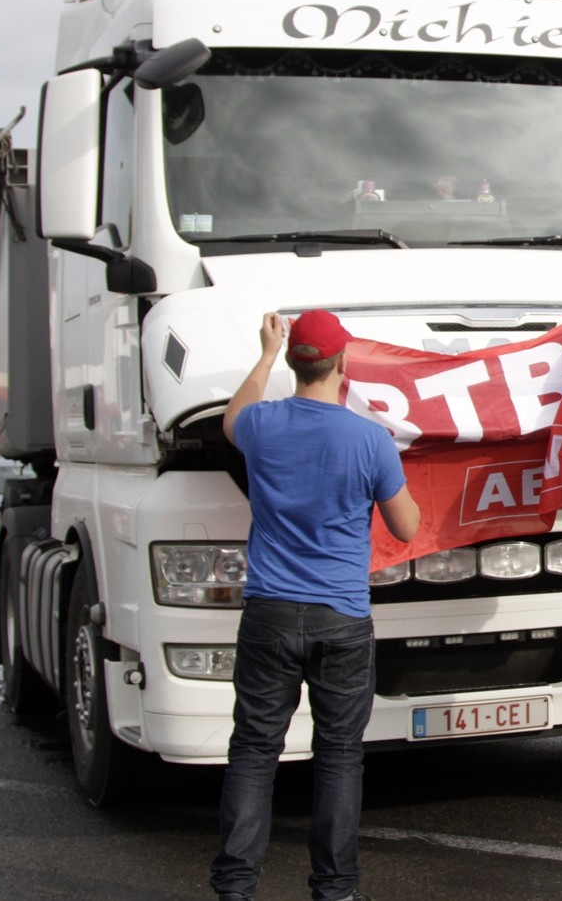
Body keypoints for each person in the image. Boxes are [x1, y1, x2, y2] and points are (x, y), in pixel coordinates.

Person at [209, 309, 420, 901]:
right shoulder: (370, 439)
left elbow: (232, 416)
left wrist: (265, 353)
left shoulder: (262, 425)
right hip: (342, 617)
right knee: (338, 757)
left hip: (269, 610)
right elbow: (406, 528)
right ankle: (334, 890)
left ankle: (235, 887)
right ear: (343, 363)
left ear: (298, 361)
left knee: (253, 750)